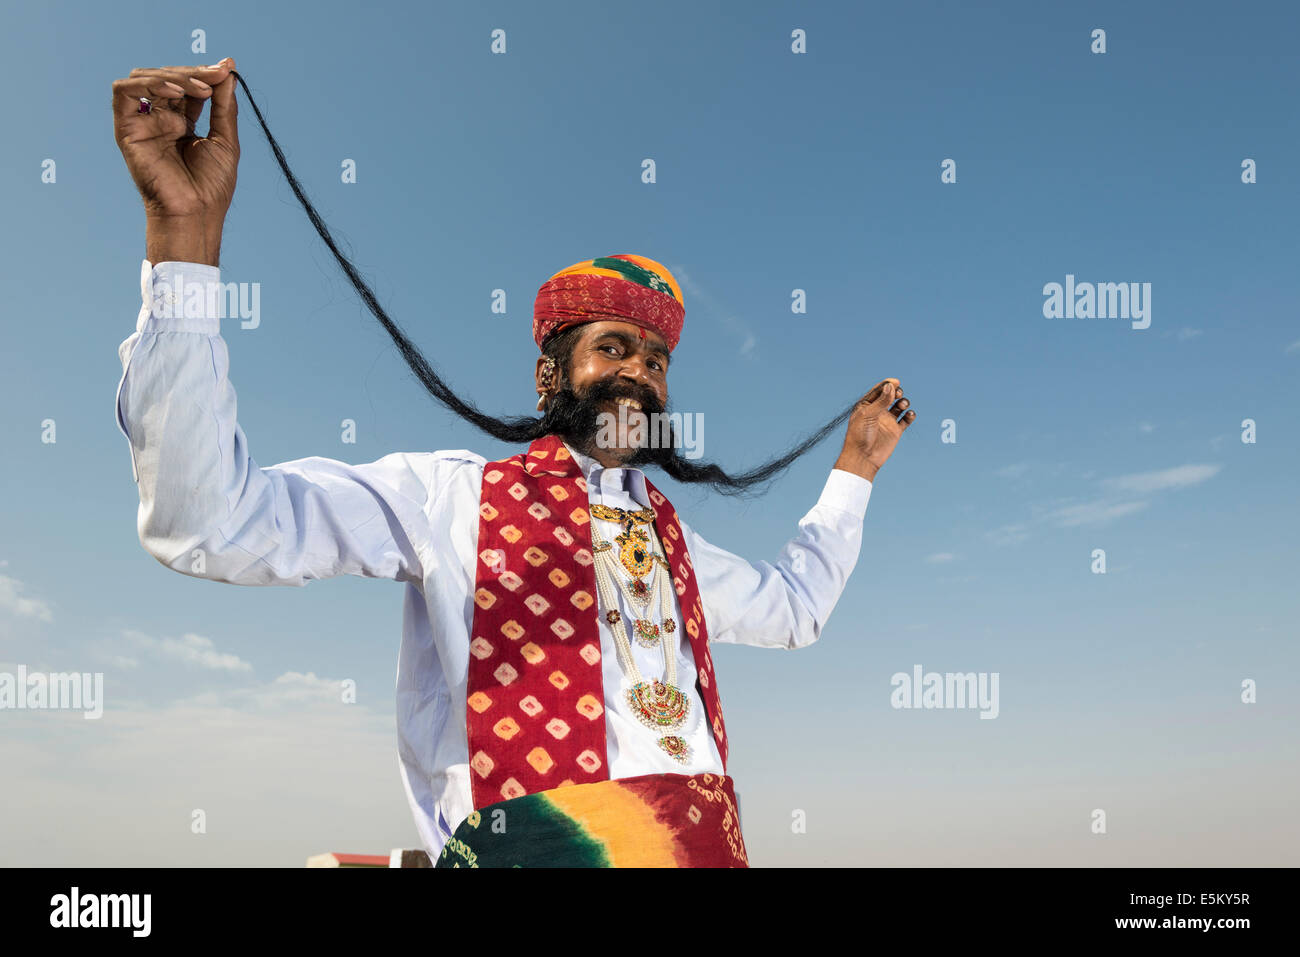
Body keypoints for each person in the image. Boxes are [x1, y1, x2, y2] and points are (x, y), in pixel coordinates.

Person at [111, 58, 918, 868]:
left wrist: (856, 467)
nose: (641, 372)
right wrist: (184, 247)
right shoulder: (446, 497)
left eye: (658, 359)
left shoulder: (669, 544)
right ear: (550, 377)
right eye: (613, 348)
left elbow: (793, 610)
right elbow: (209, 521)